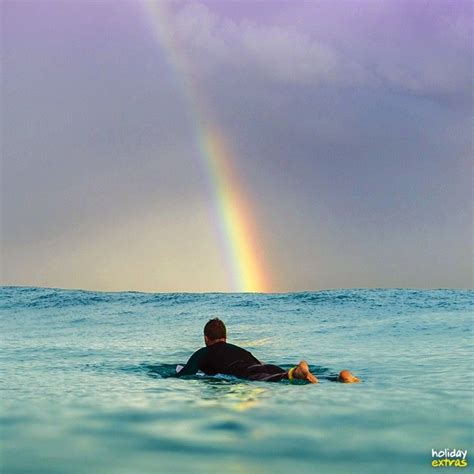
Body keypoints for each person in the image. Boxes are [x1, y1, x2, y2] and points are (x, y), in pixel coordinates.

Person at [176, 318, 360, 384]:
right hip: (264, 366)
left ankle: (296, 372)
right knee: (277, 373)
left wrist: (165, 375)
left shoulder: (203, 353)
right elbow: (259, 365)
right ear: (226, 337)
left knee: (277, 379)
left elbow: (185, 374)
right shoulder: (240, 350)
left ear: (206, 338)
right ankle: (339, 378)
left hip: (246, 373)